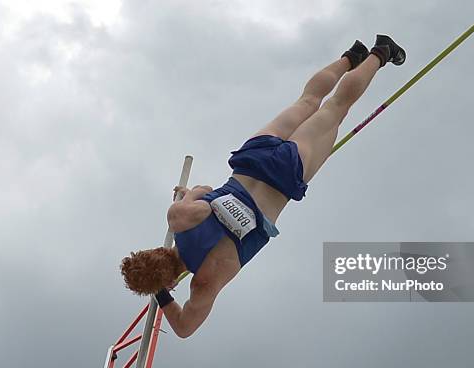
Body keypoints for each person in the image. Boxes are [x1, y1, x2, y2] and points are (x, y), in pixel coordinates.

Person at [120, 35, 406, 338]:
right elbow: (203, 188)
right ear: (154, 250)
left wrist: (162, 294)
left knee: (336, 108)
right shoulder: (178, 218)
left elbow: (184, 328)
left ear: (168, 280)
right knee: (307, 102)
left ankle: (380, 52)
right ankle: (352, 56)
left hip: (283, 176)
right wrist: (186, 195)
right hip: (251, 159)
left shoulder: (205, 281)